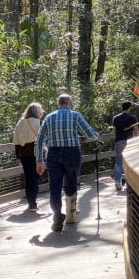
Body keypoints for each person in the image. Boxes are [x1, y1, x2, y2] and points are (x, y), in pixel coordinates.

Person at [35, 93, 99, 232]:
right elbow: (92, 135)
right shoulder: (75, 116)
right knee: (71, 184)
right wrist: (83, 136)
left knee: (55, 188)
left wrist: (39, 160)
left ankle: (57, 218)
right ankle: (70, 215)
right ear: (70, 103)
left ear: (58, 103)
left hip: (53, 153)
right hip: (71, 153)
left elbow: (39, 140)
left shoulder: (49, 117)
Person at [13, 102, 44, 210]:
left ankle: (31, 202)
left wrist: (17, 157)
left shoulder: (20, 123)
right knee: (35, 177)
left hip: (24, 154)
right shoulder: (39, 122)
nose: (42, 111)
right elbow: (44, 139)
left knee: (28, 177)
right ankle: (33, 202)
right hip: (36, 153)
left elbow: (16, 141)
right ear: (37, 111)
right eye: (40, 109)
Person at [111, 101, 139, 191]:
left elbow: (114, 131)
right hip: (129, 141)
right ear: (129, 107)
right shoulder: (133, 117)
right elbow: (136, 131)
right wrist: (138, 142)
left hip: (119, 141)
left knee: (119, 163)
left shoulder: (116, 118)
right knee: (131, 162)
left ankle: (117, 183)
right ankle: (130, 182)